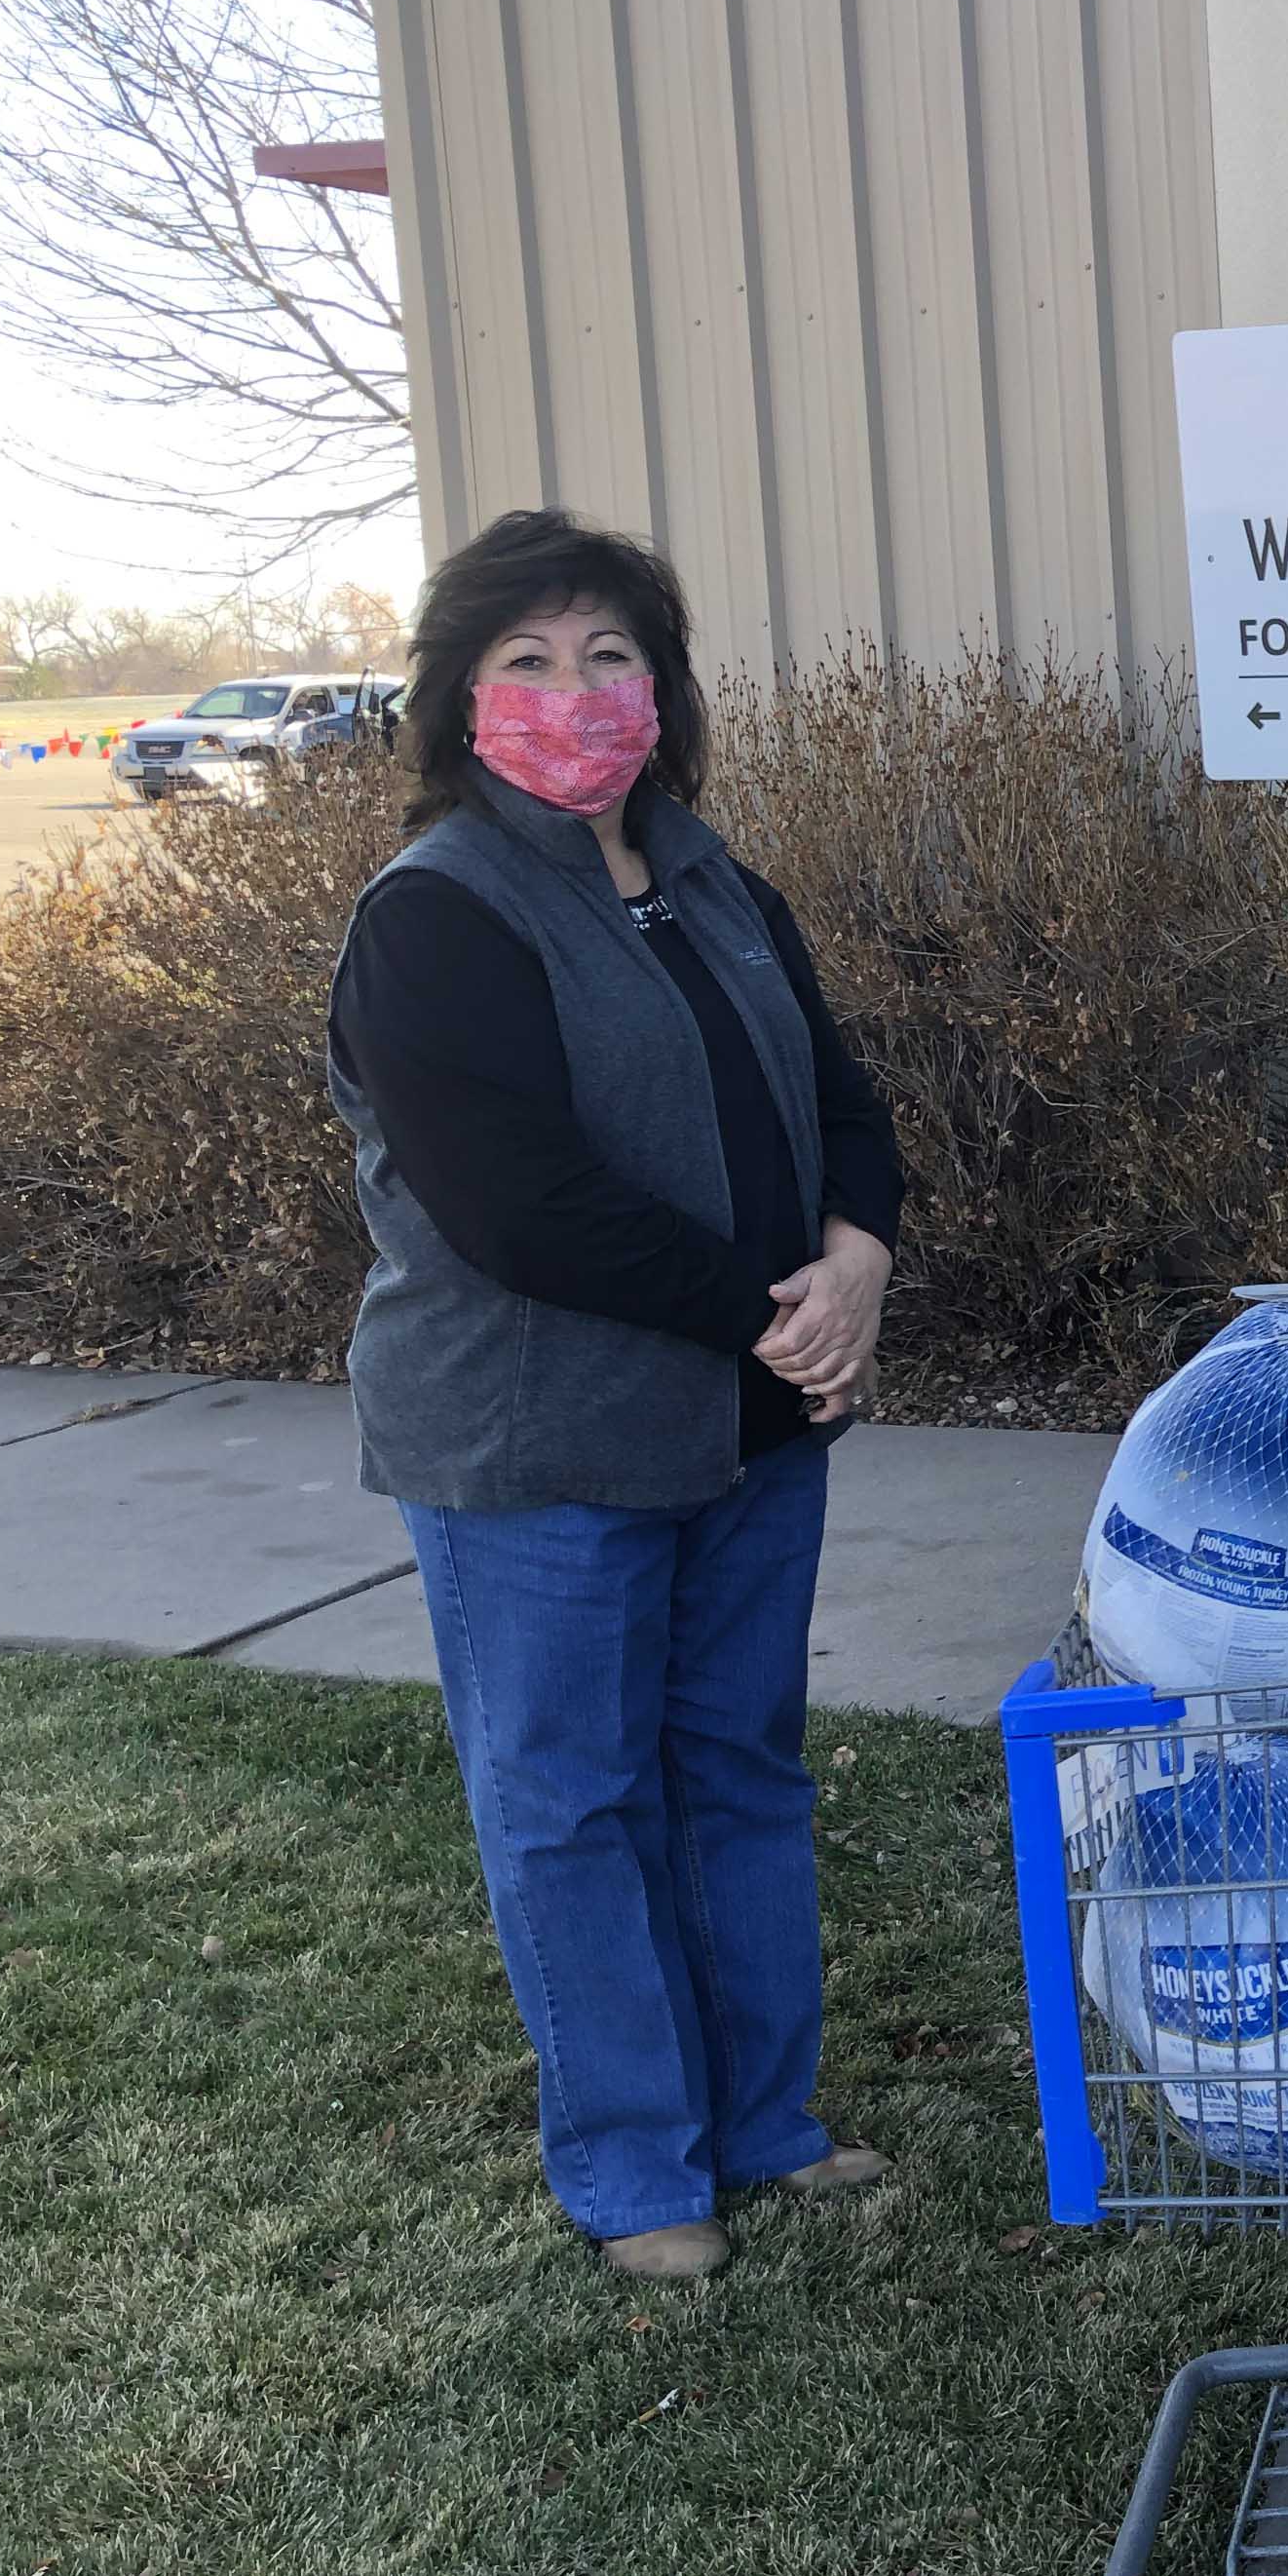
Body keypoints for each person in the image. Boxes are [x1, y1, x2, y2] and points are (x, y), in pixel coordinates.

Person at [324, 510, 906, 2284]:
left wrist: (859, 1254)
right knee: (572, 1797)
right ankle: (636, 2164)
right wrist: (771, 1313)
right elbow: (520, 1205)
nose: (575, 692)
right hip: (535, 1447)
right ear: (457, 698)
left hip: (749, 1423)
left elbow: (842, 1103)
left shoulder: (719, 880)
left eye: (607, 656)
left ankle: (766, 2121)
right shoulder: (435, 915)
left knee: (737, 1769)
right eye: (527, 660)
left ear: (661, 687)